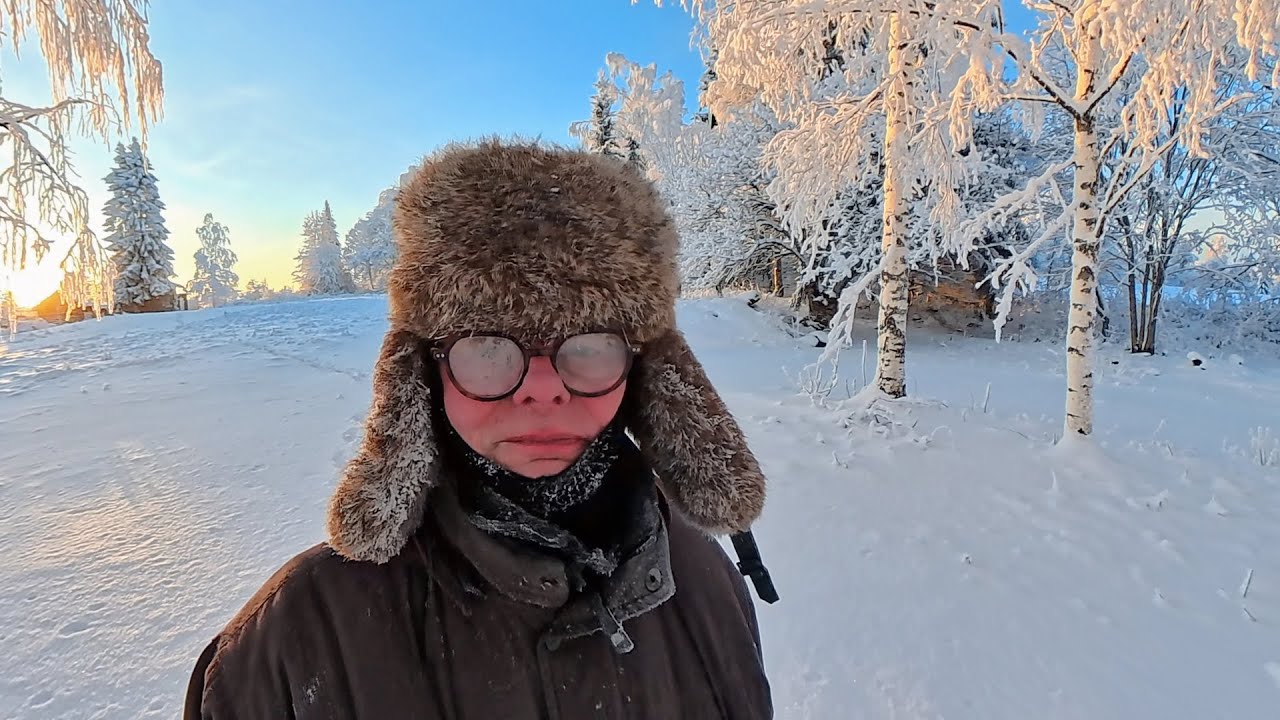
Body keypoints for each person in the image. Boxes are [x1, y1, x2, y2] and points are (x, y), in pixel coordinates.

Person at [183, 138, 774, 719]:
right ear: (423, 372)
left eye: (589, 345)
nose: (543, 390)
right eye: (489, 347)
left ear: (646, 370)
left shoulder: (703, 580)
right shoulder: (300, 636)